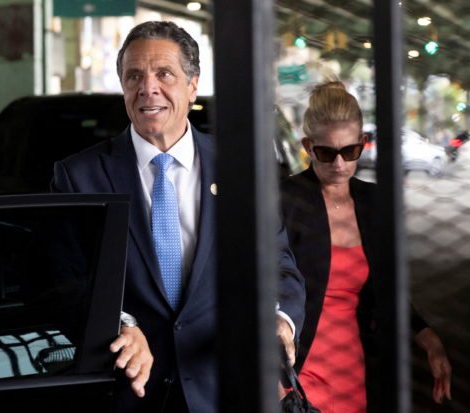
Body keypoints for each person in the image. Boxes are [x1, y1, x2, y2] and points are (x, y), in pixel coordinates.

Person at [51, 21, 305, 413]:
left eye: (164, 74)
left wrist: (280, 322)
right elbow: (62, 281)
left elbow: (277, 265)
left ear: (192, 85)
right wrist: (117, 324)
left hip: (224, 388)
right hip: (130, 392)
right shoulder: (78, 176)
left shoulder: (240, 168)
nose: (147, 88)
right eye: (134, 75)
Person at [279, 81, 452, 412]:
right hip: (297, 366)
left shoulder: (373, 203)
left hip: (354, 364)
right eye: (327, 153)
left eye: (350, 152)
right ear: (307, 146)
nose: (340, 164)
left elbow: (384, 291)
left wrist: (430, 341)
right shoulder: (285, 201)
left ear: (363, 144)